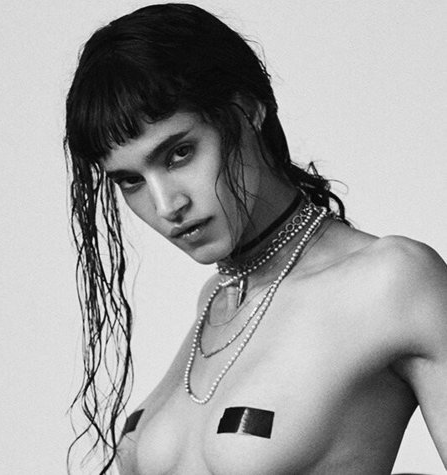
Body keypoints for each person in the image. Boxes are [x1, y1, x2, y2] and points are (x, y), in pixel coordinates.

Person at [65, 3, 447, 474]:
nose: (166, 206)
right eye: (131, 181)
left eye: (180, 153)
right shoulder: (217, 302)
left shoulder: (392, 281)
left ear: (248, 109)